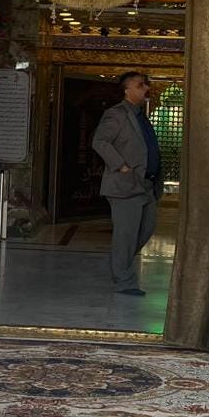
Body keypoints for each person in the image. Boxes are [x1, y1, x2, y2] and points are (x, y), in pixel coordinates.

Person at [91, 71, 162, 296]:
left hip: (146, 185)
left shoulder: (141, 115)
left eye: (146, 84)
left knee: (146, 229)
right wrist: (121, 166)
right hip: (125, 185)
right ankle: (124, 281)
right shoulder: (117, 114)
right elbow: (100, 141)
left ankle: (119, 263)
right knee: (126, 235)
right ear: (127, 90)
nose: (146, 88)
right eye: (140, 85)